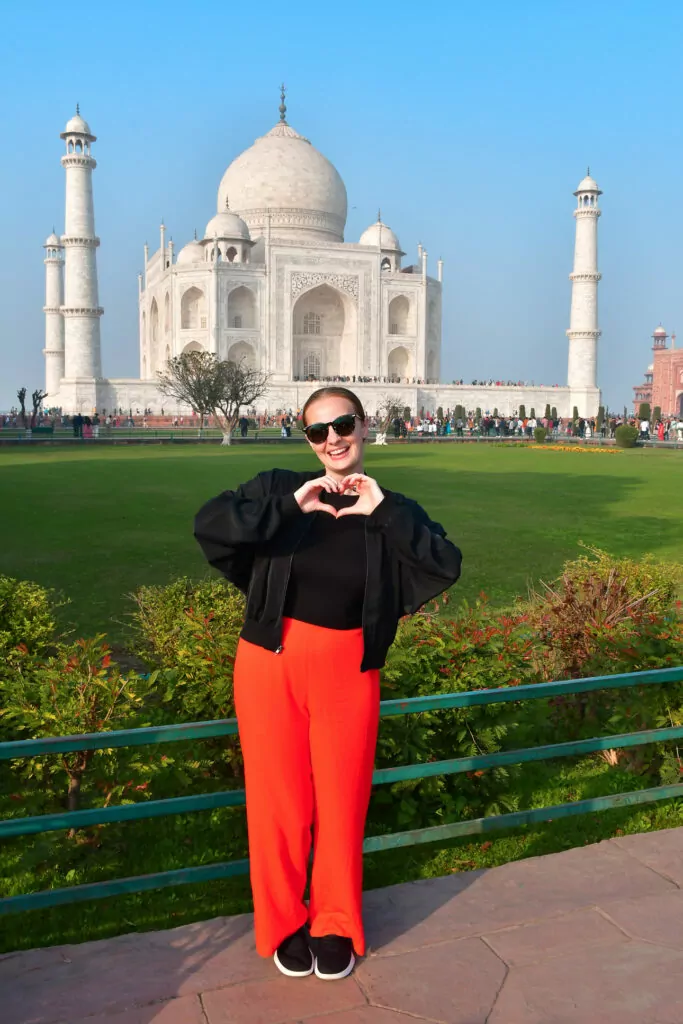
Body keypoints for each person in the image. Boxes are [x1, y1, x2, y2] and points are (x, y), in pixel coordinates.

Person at [194, 386, 461, 982]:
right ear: (307, 439)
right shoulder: (277, 488)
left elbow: (444, 563)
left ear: (364, 428)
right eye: (319, 431)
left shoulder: (389, 506)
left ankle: (335, 921)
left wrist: (384, 512)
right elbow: (211, 526)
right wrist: (292, 505)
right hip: (271, 662)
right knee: (279, 801)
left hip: (349, 667)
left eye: (343, 425)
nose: (333, 439)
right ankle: (285, 921)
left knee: (342, 800)